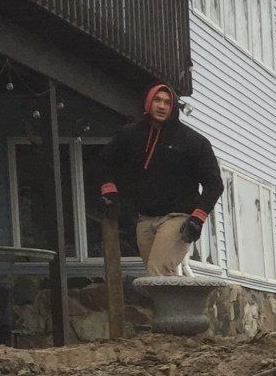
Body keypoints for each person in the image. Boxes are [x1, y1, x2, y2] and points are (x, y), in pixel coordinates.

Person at [95, 83, 224, 276]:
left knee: (158, 271)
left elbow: (214, 184)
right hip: (145, 218)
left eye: (167, 102)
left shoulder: (193, 142)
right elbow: (104, 161)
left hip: (178, 218)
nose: (162, 106)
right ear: (148, 102)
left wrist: (198, 218)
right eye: (157, 100)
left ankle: (175, 306)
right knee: (159, 280)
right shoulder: (130, 135)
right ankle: (183, 306)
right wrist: (109, 190)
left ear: (173, 107)